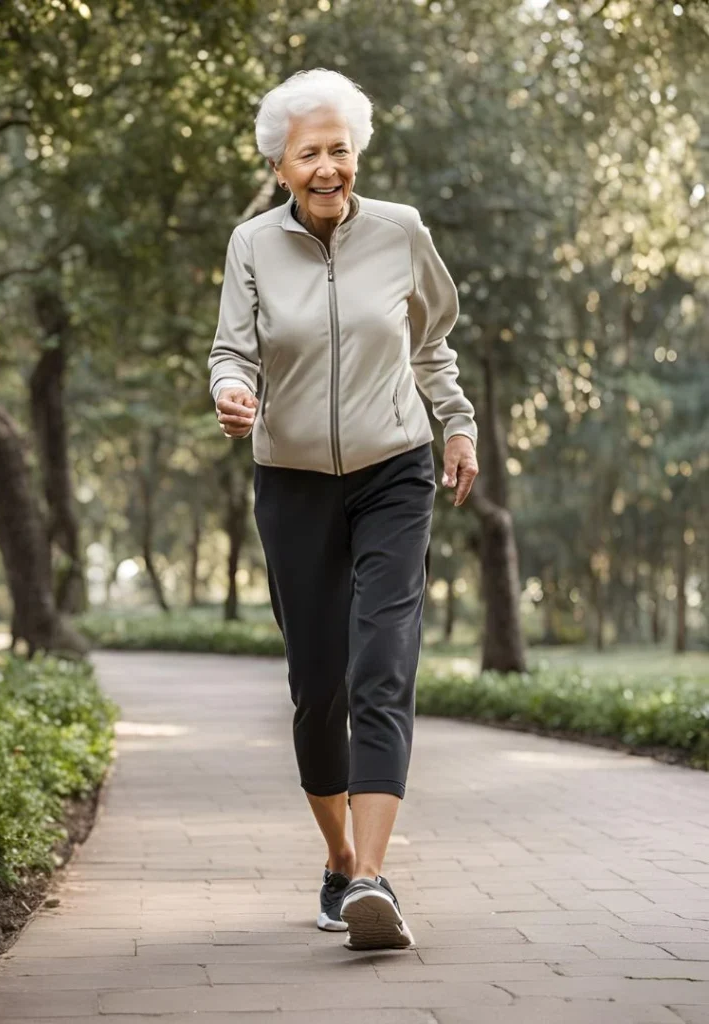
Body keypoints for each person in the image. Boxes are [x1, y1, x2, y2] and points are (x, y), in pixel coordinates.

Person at [208, 68, 479, 951]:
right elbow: (231, 349)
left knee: (382, 668)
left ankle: (371, 877)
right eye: (310, 153)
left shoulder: (400, 232)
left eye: (341, 149)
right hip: (290, 481)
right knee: (317, 688)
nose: (329, 167)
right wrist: (232, 390)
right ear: (281, 166)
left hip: (394, 471)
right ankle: (337, 860)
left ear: (357, 152)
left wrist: (457, 426)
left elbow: (430, 337)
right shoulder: (251, 245)